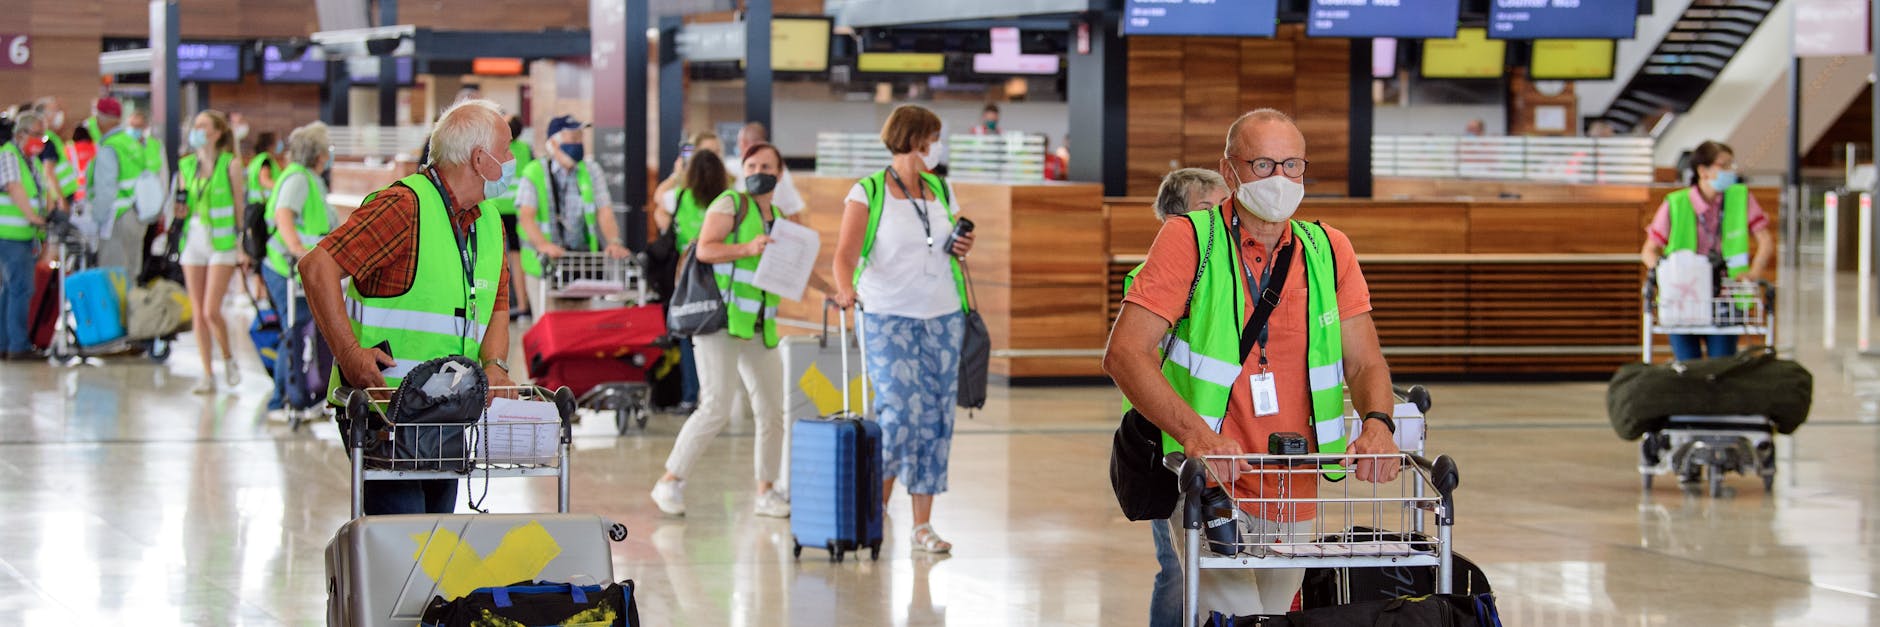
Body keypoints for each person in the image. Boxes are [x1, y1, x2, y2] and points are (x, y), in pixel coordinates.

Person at [1102, 109, 1402, 618]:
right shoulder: (1190, 239)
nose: (1280, 179)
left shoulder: (1329, 250)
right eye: (1263, 164)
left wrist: (1378, 422)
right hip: (1209, 478)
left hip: (1295, 477)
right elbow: (1125, 354)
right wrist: (1195, 434)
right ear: (1232, 168)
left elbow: (1365, 362)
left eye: (1292, 165)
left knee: (1278, 613)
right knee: (1235, 615)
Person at [300, 99, 519, 516]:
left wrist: (496, 364)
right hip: (386, 413)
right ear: (479, 158)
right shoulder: (404, 208)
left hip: (449, 412)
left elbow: (497, 305)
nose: (512, 161)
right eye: (506, 150)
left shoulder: (488, 222)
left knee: (434, 543)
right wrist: (348, 353)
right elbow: (317, 266)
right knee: (404, 544)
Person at [650, 142, 834, 519]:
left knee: (772, 410)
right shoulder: (729, 203)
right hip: (719, 321)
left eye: (766, 165)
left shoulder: (781, 217)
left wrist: (835, 292)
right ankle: (670, 480)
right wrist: (749, 247)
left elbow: (798, 269)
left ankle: (766, 490)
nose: (757, 170)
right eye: (751, 164)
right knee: (716, 405)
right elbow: (705, 250)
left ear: (780, 173)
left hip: (757, 327)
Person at [831, 104, 977, 554]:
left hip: (943, 316)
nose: (938, 145)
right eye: (934, 137)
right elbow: (844, 257)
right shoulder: (868, 192)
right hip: (887, 315)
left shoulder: (939, 187)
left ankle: (922, 525)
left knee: (935, 419)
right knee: (896, 415)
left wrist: (962, 245)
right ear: (916, 140)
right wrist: (844, 291)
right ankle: (874, 515)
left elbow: (948, 246)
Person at [1135, 167, 1231, 627]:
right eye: (1207, 210)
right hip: (1172, 448)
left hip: (1229, 448)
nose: (1222, 220)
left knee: (1230, 564)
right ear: (1176, 220)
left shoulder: (1237, 282)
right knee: (1176, 566)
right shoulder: (1148, 279)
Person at [1641, 140, 1774, 361]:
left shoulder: (1740, 198)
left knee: (1721, 366)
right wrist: (1669, 274)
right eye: (1724, 165)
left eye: (1732, 165)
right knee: (1687, 366)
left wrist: (1753, 274)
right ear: (1703, 170)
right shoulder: (1676, 203)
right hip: (1684, 299)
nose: (1731, 171)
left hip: (1726, 296)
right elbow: (1649, 251)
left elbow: (1766, 241)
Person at [655, 130, 737, 413]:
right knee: (714, 332)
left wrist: (677, 175)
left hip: (689, 277)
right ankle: (711, 396)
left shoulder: (680, 196)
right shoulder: (731, 198)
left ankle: (694, 396)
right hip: (721, 275)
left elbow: (658, 198)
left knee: (692, 332)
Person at [259, 121, 334, 415]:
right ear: (318, 154)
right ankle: (282, 399)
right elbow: (283, 214)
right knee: (295, 328)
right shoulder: (298, 179)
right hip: (284, 268)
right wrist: (296, 249)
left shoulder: (311, 179)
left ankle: (294, 394)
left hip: (300, 268)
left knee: (298, 327)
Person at [174, 109, 248, 394]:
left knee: (210, 310)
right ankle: (207, 374)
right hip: (193, 238)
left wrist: (242, 245)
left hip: (222, 241)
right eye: (195, 125)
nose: (197, 130)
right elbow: (183, 203)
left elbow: (240, 206)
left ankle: (228, 357)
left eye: (203, 126)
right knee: (197, 310)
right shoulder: (186, 166)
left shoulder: (230, 165)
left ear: (217, 133)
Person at [513, 114, 631, 291]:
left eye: (580, 139)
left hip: (581, 263)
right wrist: (544, 245)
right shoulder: (534, 172)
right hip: (544, 267)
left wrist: (614, 241)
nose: (578, 144)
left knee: (580, 318)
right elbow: (526, 217)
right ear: (553, 143)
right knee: (549, 318)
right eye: (573, 139)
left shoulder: (591, 170)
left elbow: (604, 211)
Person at [1, 111, 50, 360]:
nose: (41, 140)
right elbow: (12, 187)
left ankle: (5, 344)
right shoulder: (9, 155)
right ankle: (18, 347)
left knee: (11, 290)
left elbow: (42, 191)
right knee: (21, 288)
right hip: (9, 234)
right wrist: (32, 216)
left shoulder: (31, 160)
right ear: (21, 134)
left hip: (24, 236)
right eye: (37, 134)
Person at [86, 98, 156, 273]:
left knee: (113, 276)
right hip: (137, 216)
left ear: (101, 120)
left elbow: (106, 190)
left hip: (116, 219)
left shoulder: (110, 148)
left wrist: (96, 220)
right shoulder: (133, 143)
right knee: (131, 272)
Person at [480, 115, 534, 319]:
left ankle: (496, 305)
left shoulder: (496, 148)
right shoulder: (526, 150)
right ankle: (522, 304)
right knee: (517, 257)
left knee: (496, 257)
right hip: (519, 210)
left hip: (496, 208)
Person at [726, 121, 804, 217]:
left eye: (765, 167)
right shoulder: (731, 169)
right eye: (751, 166)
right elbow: (794, 212)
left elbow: (793, 212)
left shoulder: (731, 166)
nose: (758, 172)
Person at [31, 97, 75, 210]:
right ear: (44, 116)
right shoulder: (46, 139)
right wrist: (61, 200)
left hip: (64, 193)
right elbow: (48, 173)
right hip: (59, 198)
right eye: (55, 111)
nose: (59, 114)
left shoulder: (51, 136)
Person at [245, 131, 283, 207]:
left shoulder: (256, 160)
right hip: (263, 204)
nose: (279, 144)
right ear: (270, 145)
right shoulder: (265, 160)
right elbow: (264, 180)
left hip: (255, 204)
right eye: (276, 142)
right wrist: (283, 187)